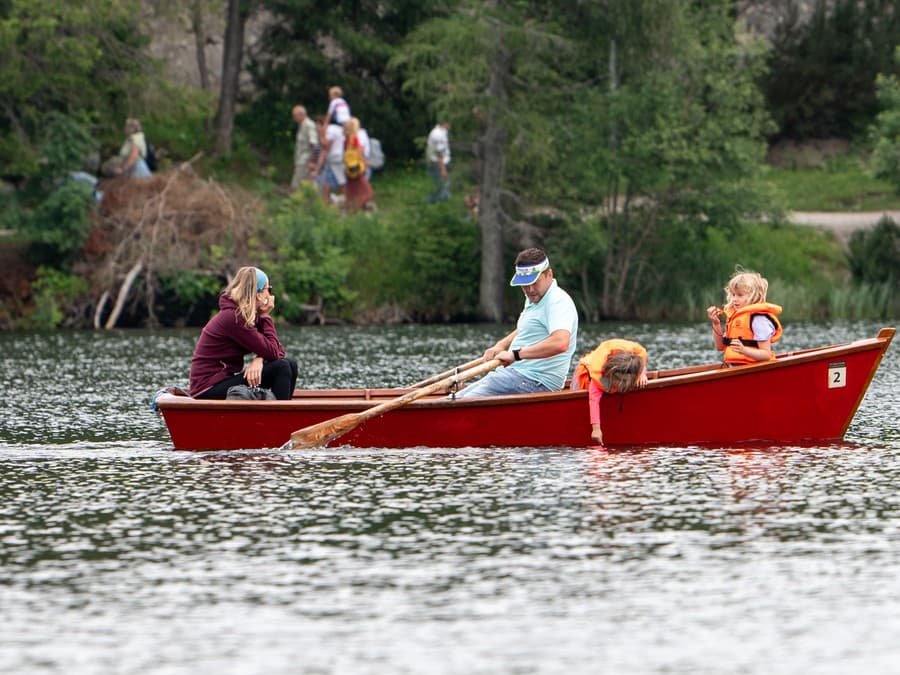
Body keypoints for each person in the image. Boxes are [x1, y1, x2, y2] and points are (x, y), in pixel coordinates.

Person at [454, 248, 578, 398]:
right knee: (457, 396)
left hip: (535, 382)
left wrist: (515, 355)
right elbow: (528, 328)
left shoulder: (557, 301)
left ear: (549, 274)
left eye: (535, 283)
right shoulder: (536, 296)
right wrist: (501, 345)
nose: (530, 290)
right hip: (516, 376)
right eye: (525, 285)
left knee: (459, 400)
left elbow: (560, 343)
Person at [189, 266, 298, 400]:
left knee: (290, 363)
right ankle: (279, 418)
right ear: (258, 294)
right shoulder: (234, 318)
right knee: (281, 367)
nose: (270, 295)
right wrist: (265, 317)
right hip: (207, 388)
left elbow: (278, 351)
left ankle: (284, 413)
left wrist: (259, 359)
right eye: (268, 290)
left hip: (221, 382)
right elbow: (274, 353)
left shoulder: (245, 316)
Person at [571, 339, 648, 445]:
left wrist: (642, 375)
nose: (621, 387)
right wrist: (596, 429)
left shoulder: (633, 362)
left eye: (625, 383)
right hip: (584, 372)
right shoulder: (599, 379)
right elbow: (593, 401)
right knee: (579, 398)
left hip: (620, 365)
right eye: (618, 383)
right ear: (610, 376)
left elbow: (639, 365)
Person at [706, 268, 783, 366]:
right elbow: (720, 346)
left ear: (754, 296)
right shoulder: (735, 317)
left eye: (740, 295)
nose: (734, 299)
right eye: (733, 295)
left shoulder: (758, 320)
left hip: (754, 369)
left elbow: (766, 355)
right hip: (733, 368)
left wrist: (744, 350)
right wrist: (716, 323)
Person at [312, 116, 346, 206]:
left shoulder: (330, 131)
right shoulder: (337, 129)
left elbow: (326, 147)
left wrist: (321, 134)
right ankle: (330, 204)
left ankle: (327, 205)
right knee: (332, 183)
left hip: (336, 161)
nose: (316, 129)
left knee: (334, 184)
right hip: (338, 160)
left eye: (317, 127)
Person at [342, 117, 373, 212]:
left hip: (349, 169)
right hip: (357, 168)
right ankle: (357, 207)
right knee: (367, 191)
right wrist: (365, 162)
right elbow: (359, 152)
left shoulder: (346, 141)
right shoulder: (354, 138)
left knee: (352, 190)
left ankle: (350, 208)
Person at [290, 105, 319, 190]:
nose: (294, 118)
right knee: (308, 185)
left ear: (301, 115)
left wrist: (313, 161)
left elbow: (315, 145)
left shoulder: (309, 125)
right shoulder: (302, 125)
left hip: (305, 161)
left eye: (295, 116)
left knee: (296, 185)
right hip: (301, 160)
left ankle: (296, 202)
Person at [425, 122, 451, 203]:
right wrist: (443, 170)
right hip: (438, 164)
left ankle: (438, 203)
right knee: (442, 188)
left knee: (443, 187)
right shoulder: (438, 134)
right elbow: (439, 153)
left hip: (441, 163)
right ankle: (433, 203)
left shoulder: (443, 131)